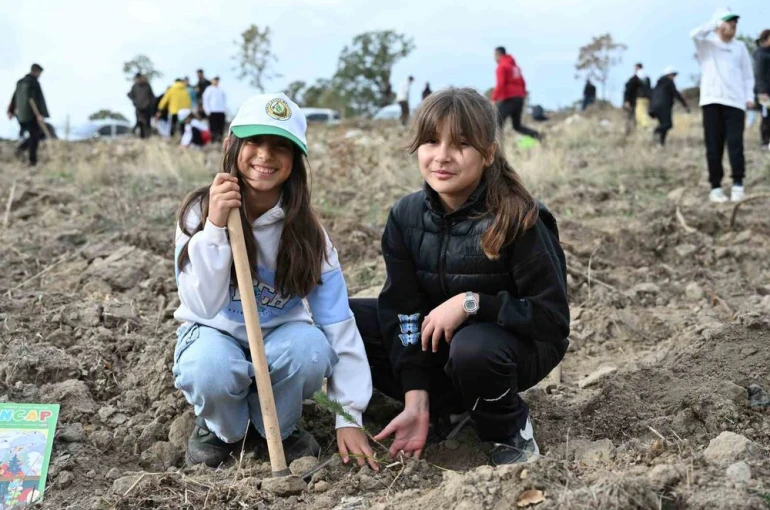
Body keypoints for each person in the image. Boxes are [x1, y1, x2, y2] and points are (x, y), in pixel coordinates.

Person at [349, 88, 569, 466]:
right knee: (350, 320)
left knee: (472, 347)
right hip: (442, 342)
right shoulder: (406, 216)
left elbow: (552, 319)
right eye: (432, 141)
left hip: (514, 346)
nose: (442, 156)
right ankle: (439, 409)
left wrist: (472, 303)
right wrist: (416, 396)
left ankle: (509, 430)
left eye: (461, 144)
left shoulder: (519, 217)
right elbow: (405, 311)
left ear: (488, 153)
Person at [173, 93, 374, 469]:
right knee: (210, 367)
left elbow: (338, 324)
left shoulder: (310, 235)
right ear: (232, 144)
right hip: (213, 334)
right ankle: (223, 429)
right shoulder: (198, 215)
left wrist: (349, 415)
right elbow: (202, 304)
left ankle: (279, 427)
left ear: (296, 161)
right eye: (255, 142)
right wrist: (216, 228)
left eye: (280, 146)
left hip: (279, 343)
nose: (265, 155)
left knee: (310, 350)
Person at [691, 7, 755, 203]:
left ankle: (737, 184)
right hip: (712, 101)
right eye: (729, 24)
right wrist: (715, 24)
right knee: (714, 146)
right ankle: (716, 187)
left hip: (735, 103)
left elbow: (747, 76)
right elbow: (693, 34)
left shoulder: (740, 47)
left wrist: (749, 97)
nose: (732, 27)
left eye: (735, 24)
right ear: (719, 25)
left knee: (735, 144)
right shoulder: (707, 46)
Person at [492, 47, 540, 140]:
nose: (494, 59)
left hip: (509, 99)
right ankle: (538, 136)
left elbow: (500, 84)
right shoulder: (515, 67)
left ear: (498, 55)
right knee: (517, 126)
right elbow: (522, 82)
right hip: (519, 99)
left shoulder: (502, 67)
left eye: (494, 56)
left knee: (496, 124)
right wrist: (522, 95)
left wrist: (494, 98)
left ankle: (496, 149)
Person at [7, 63, 49, 166]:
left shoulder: (20, 82)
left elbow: (14, 97)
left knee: (33, 135)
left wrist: (11, 111)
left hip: (21, 115)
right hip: (31, 114)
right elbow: (32, 99)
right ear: (36, 71)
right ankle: (32, 160)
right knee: (35, 136)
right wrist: (38, 114)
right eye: (39, 73)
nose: (40, 75)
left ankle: (21, 150)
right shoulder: (33, 82)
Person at [649, 66, 690, 146]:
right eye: (673, 75)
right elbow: (676, 94)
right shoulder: (669, 82)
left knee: (663, 124)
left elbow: (651, 94)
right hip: (663, 107)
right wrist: (685, 105)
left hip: (654, 107)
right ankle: (656, 131)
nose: (674, 77)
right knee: (668, 124)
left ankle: (661, 143)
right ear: (668, 75)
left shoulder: (658, 84)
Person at [623, 63, 650, 134]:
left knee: (632, 117)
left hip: (635, 101)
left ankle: (631, 132)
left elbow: (628, 91)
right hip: (635, 101)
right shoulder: (646, 79)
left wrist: (626, 101)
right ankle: (630, 132)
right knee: (631, 118)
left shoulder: (634, 79)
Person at [754, 30, 770, 150]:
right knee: (766, 116)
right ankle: (765, 142)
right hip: (764, 92)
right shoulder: (760, 54)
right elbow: (759, 74)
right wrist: (762, 91)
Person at [127, 73, 155, 139]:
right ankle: (142, 137)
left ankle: (148, 137)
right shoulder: (134, 86)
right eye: (138, 78)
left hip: (147, 108)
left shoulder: (147, 86)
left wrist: (150, 103)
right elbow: (129, 94)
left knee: (147, 123)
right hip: (138, 108)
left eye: (140, 78)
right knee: (140, 123)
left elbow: (152, 96)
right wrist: (134, 102)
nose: (139, 79)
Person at [202, 76, 227, 142]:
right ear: (212, 81)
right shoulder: (208, 89)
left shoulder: (221, 89)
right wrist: (207, 110)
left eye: (217, 80)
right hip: (212, 111)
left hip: (221, 111)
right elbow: (205, 101)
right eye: (215, 80)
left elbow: (224, 100)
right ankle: (213, 141)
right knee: (213, 128)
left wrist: (224, 110)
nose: (216, 81)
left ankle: (219, 140)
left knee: (220, 127)